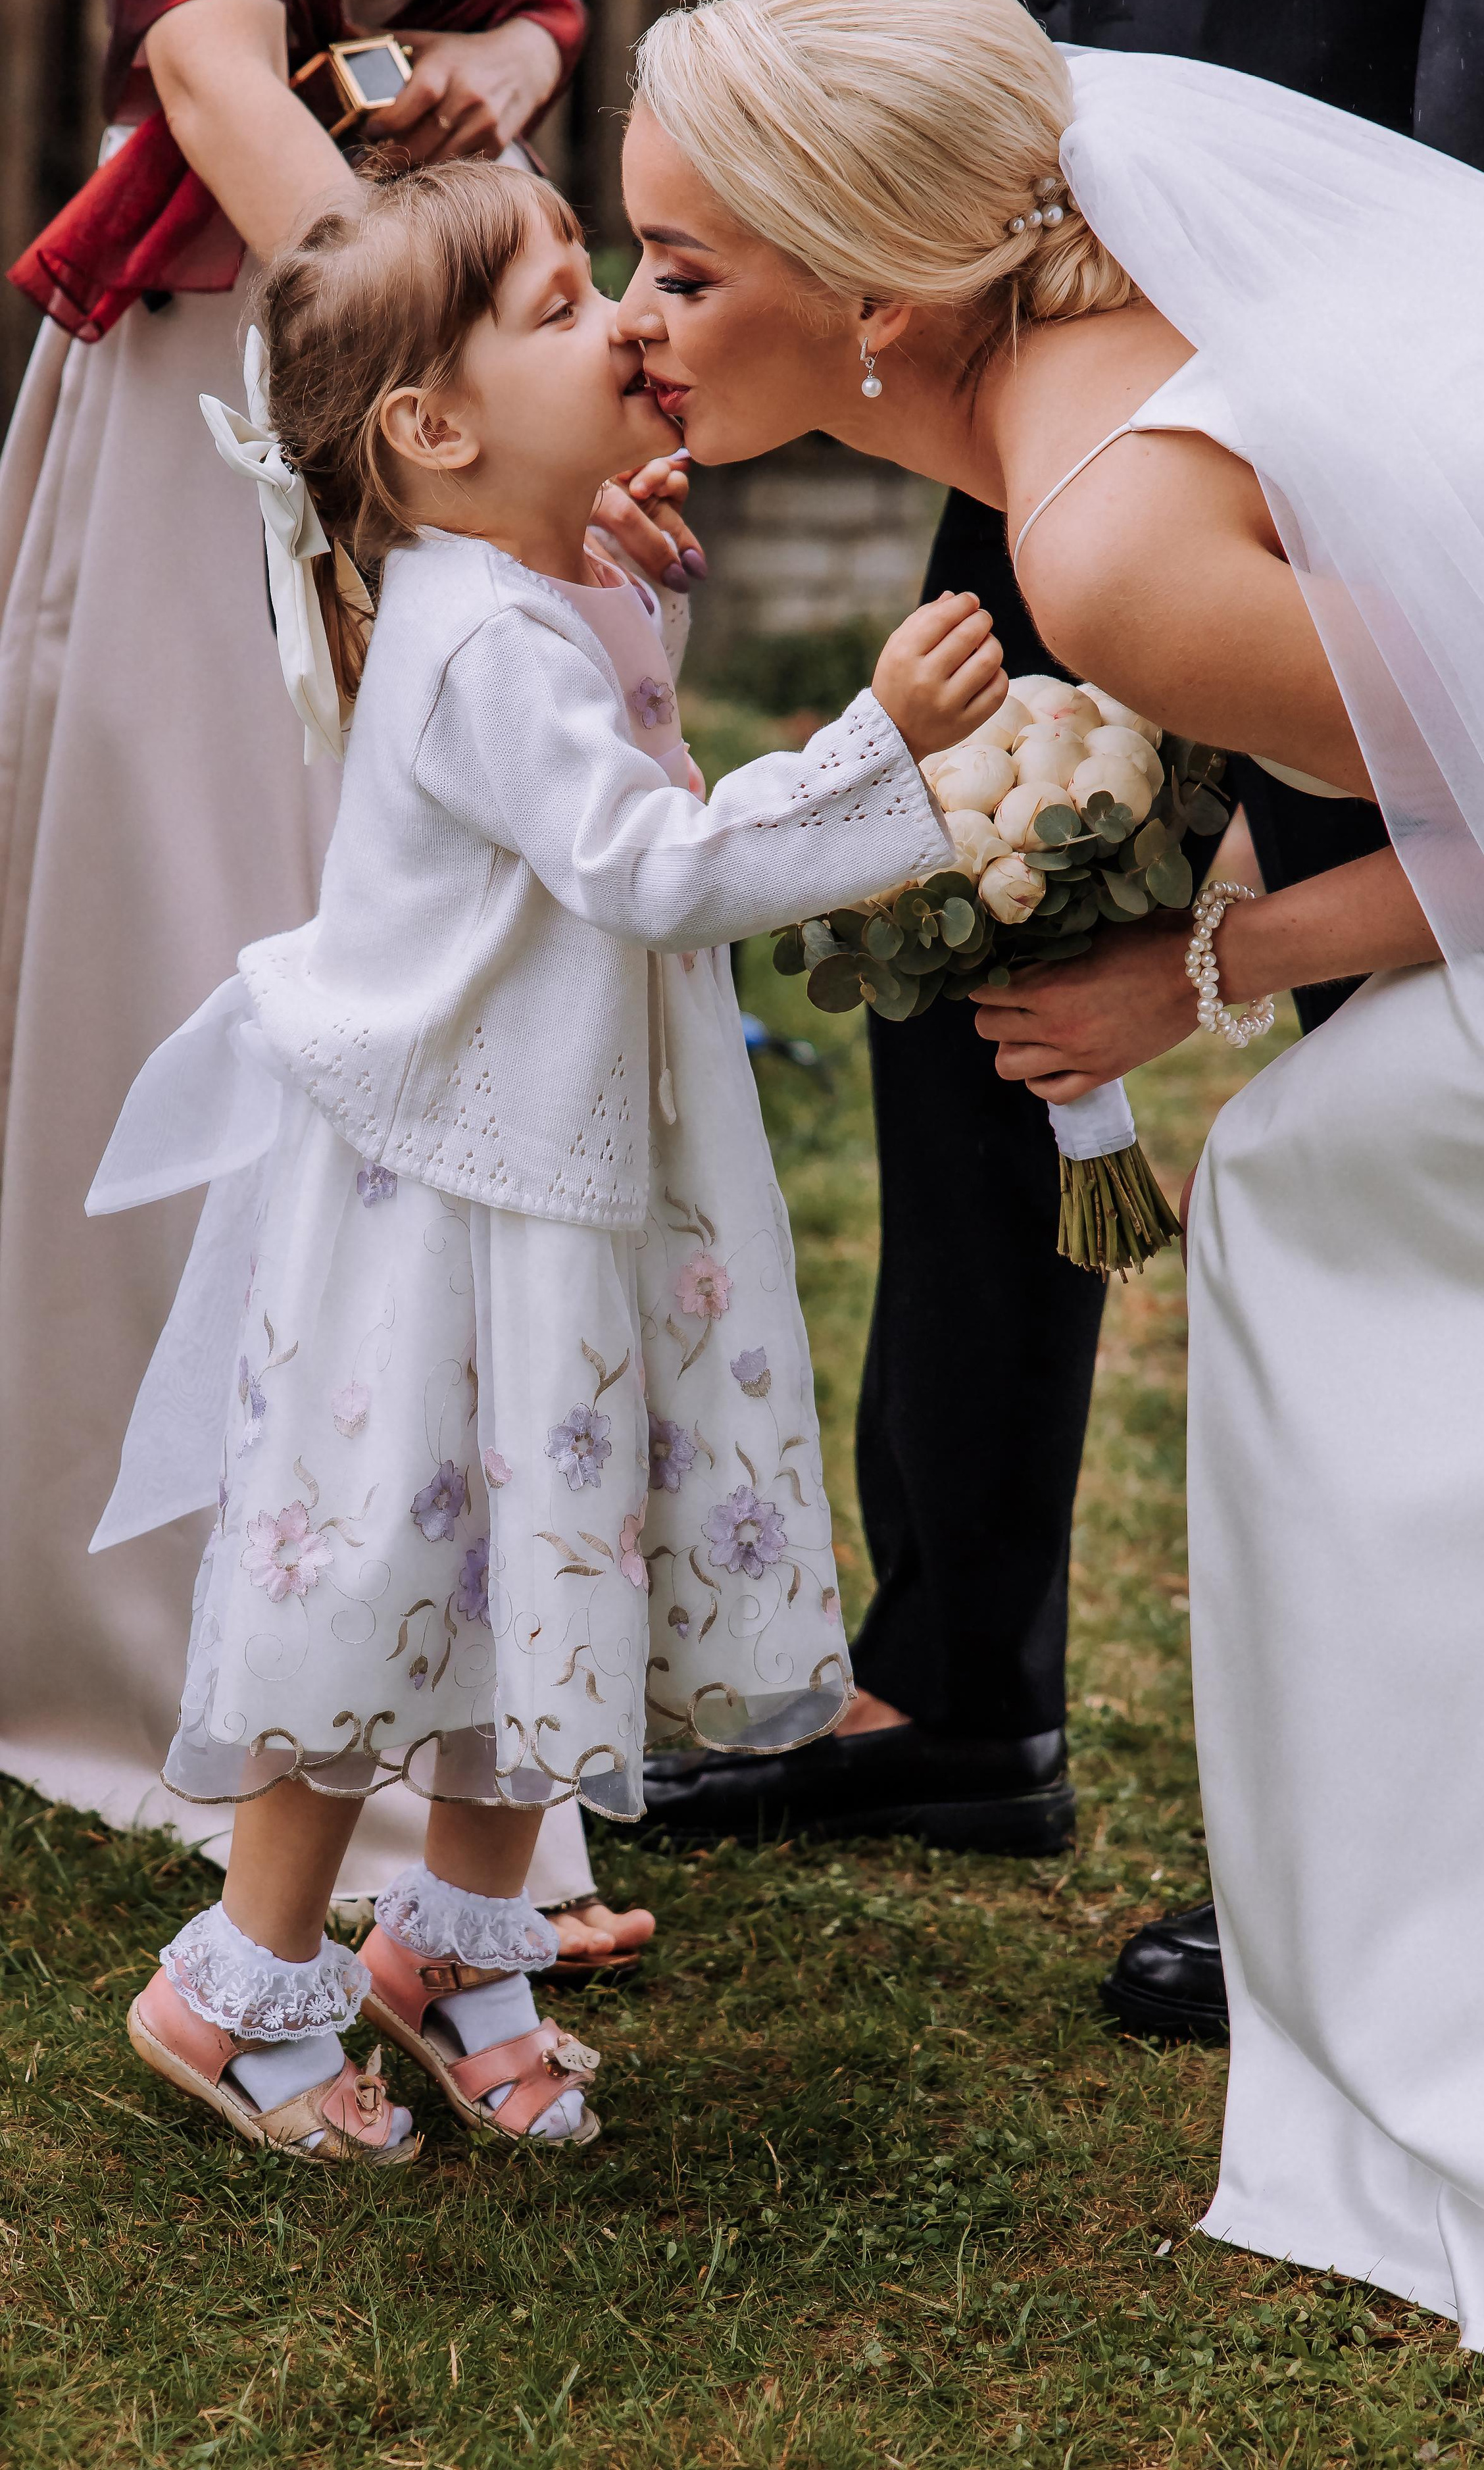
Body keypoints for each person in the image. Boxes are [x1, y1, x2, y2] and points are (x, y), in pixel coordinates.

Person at [612, 0, 1484, 2394]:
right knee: (1336, 1180)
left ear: (882, 295)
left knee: (1318, 1194)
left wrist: (1201, 977)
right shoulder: (1192, 236)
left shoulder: (1098, 549)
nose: (631, 319)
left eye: (682, 270)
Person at [105, 155, 999, 2157]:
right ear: (432, 426)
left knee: (536, 1562)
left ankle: (463, 1939)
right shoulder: (480, 645)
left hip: (548, 1173)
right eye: (555, 302)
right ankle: (236, 1983)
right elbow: (648, 861)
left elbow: (627, 767)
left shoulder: (527, 590)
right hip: (453, 1199)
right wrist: (880, 747)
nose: (618, 319)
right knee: (393, 1568)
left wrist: (625, 595)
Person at [0, 0, 690, 1946]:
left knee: (448, 996)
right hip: (273, 384)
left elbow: (545, 0)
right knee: (221, 948)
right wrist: (435, 426)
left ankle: (444, 1695)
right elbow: (216, 71)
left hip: (440, 364)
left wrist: (492, 53)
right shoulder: (425, 389)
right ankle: (199, 1650)